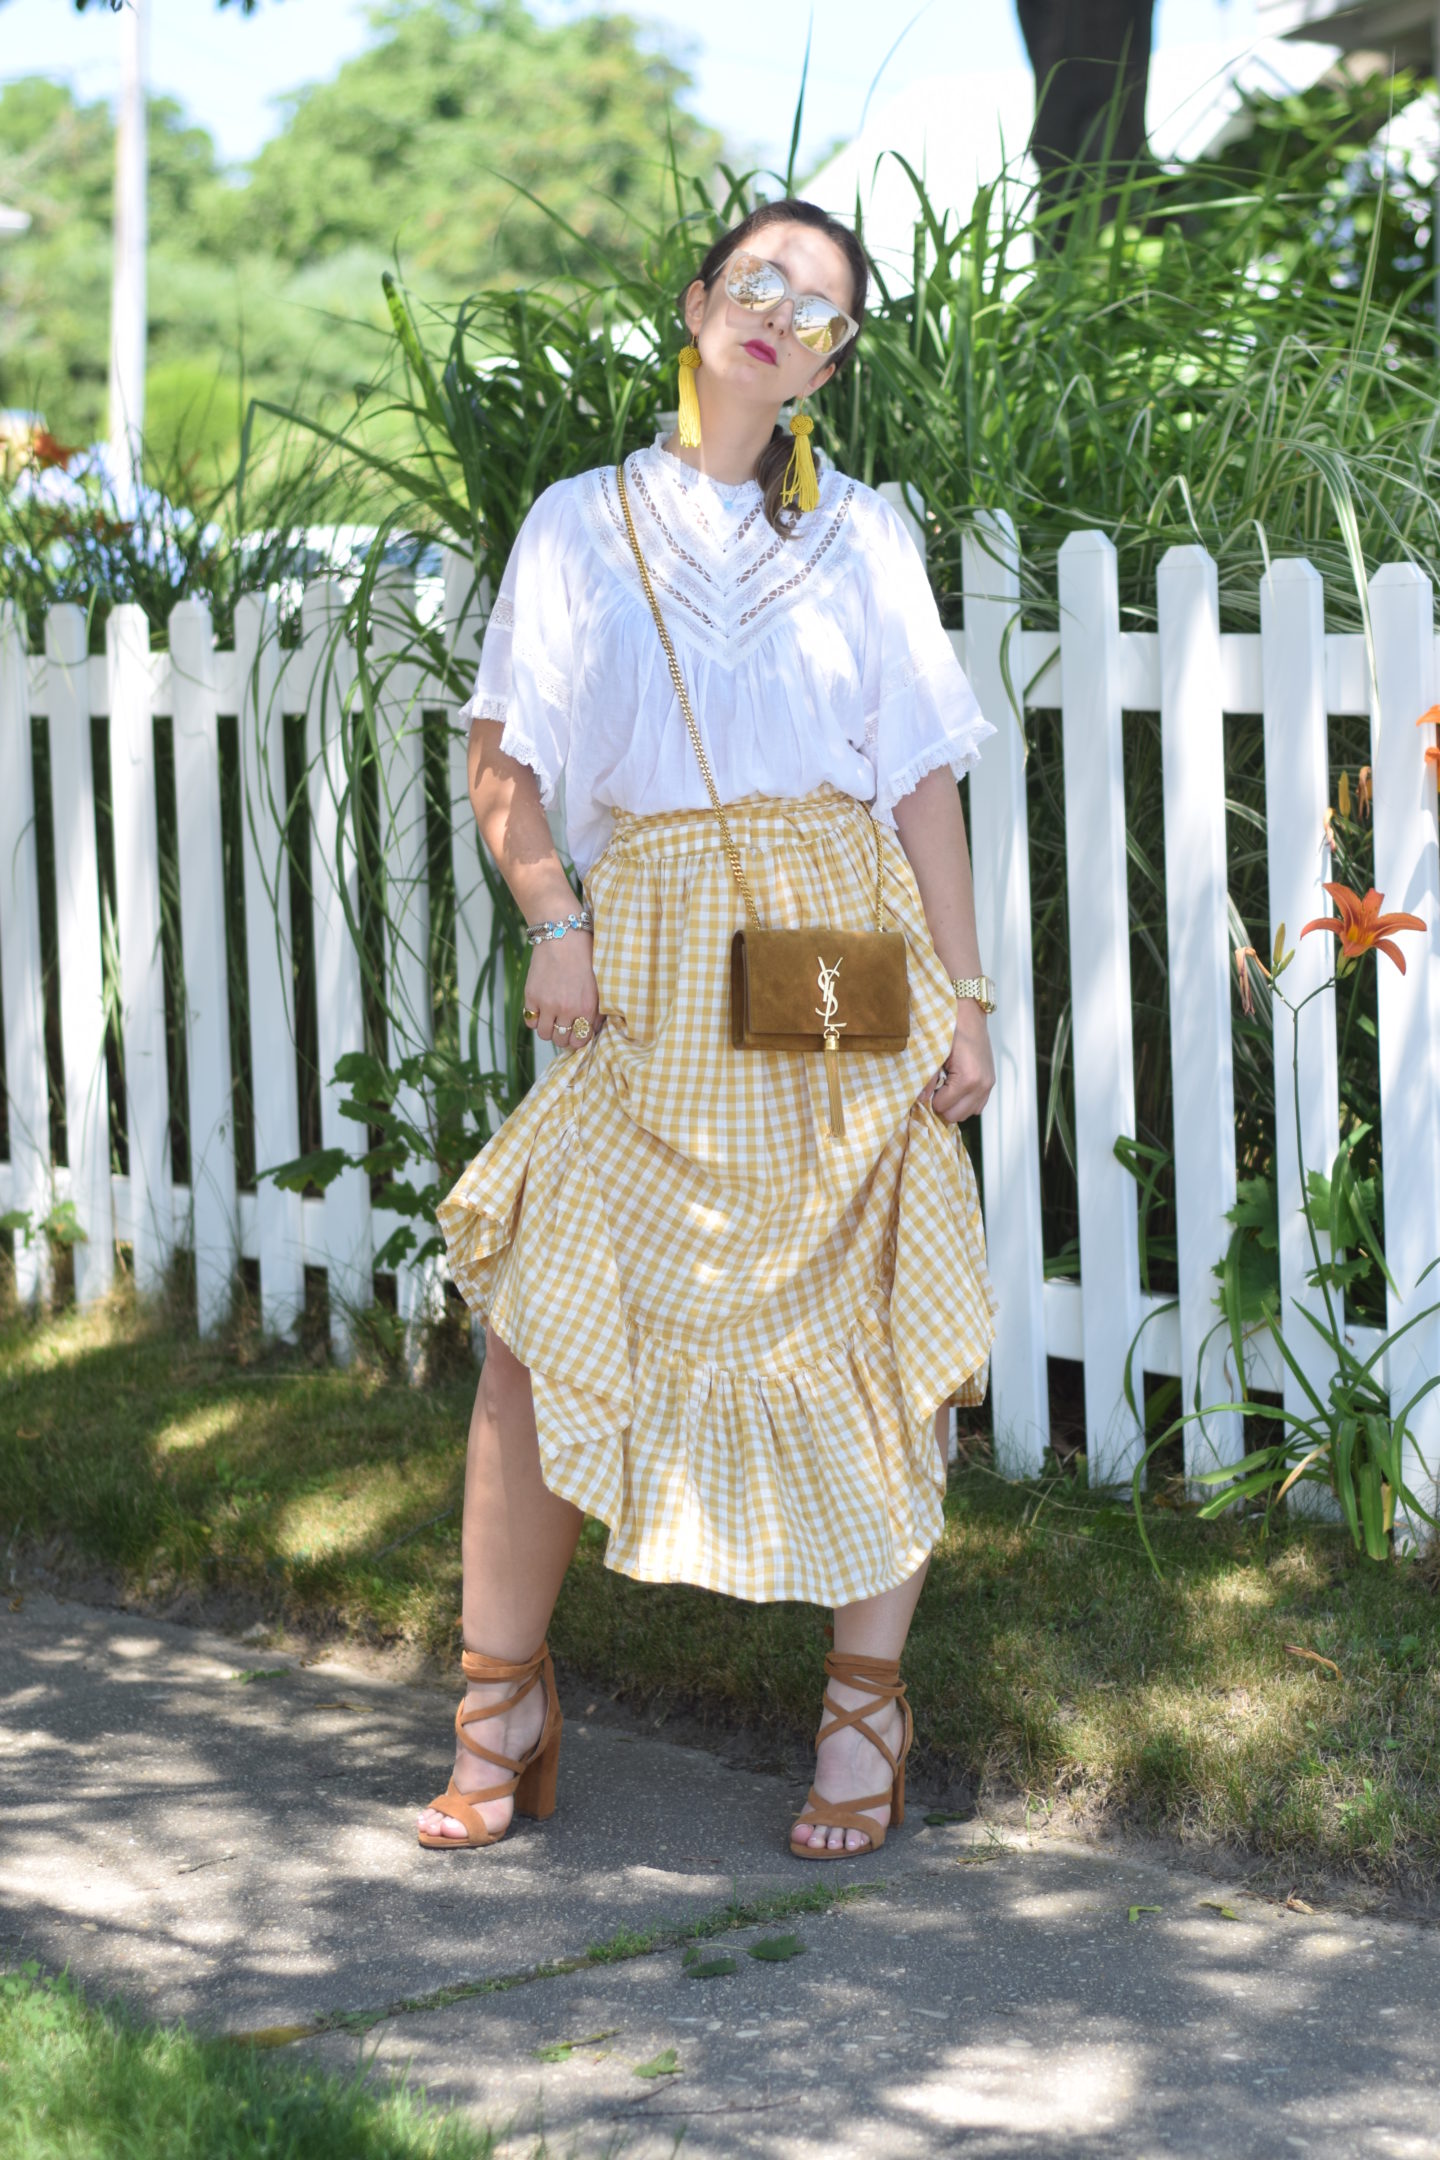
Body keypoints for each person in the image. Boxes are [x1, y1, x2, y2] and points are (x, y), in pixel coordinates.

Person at [418, 197, 998, 1861]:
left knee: (873, 1297)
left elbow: (920, 780)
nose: (778, 316)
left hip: (835, 934)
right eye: (756, 283)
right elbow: (506, 768)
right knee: (543, 1303)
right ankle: (500, 1701)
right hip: (656, 932)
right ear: (695, 304)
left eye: (816, 308)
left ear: (834, 356)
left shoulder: (864, 534)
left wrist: (959, 993)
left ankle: (864, 1715)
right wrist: (558, 923)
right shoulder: (582, 522)